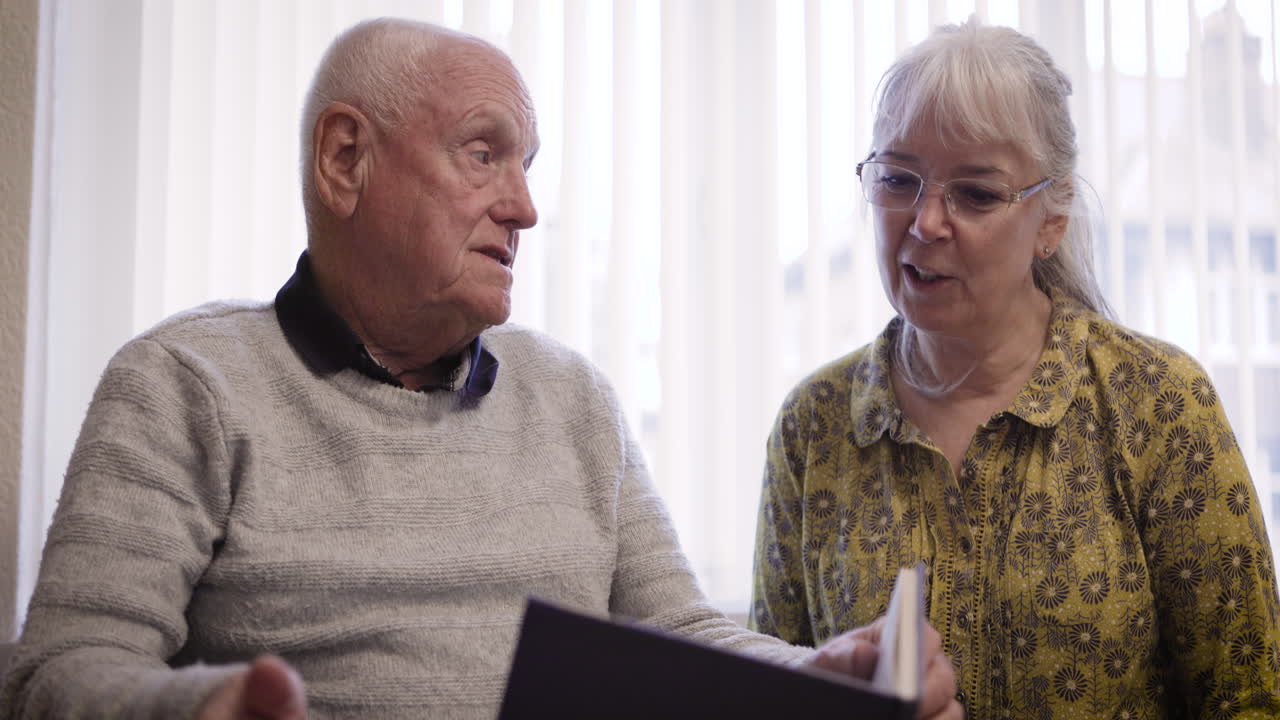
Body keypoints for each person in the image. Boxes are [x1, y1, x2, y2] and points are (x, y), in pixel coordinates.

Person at [1, 18, 963, 720]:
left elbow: (682, 639)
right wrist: (211, 708)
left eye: (529, 165)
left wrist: (813, 676)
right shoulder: (186, 384)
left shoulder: (571, 398)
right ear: (346, 160)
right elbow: (60, 672)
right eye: (482, 154)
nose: (525, 208)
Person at [749, 17, 1280, 720]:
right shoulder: (814, 424)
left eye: (975, 194)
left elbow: (1249, 699)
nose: (927, 222)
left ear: (1051, 219)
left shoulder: (1159, 405)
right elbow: (766, 694)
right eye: (899, 179)